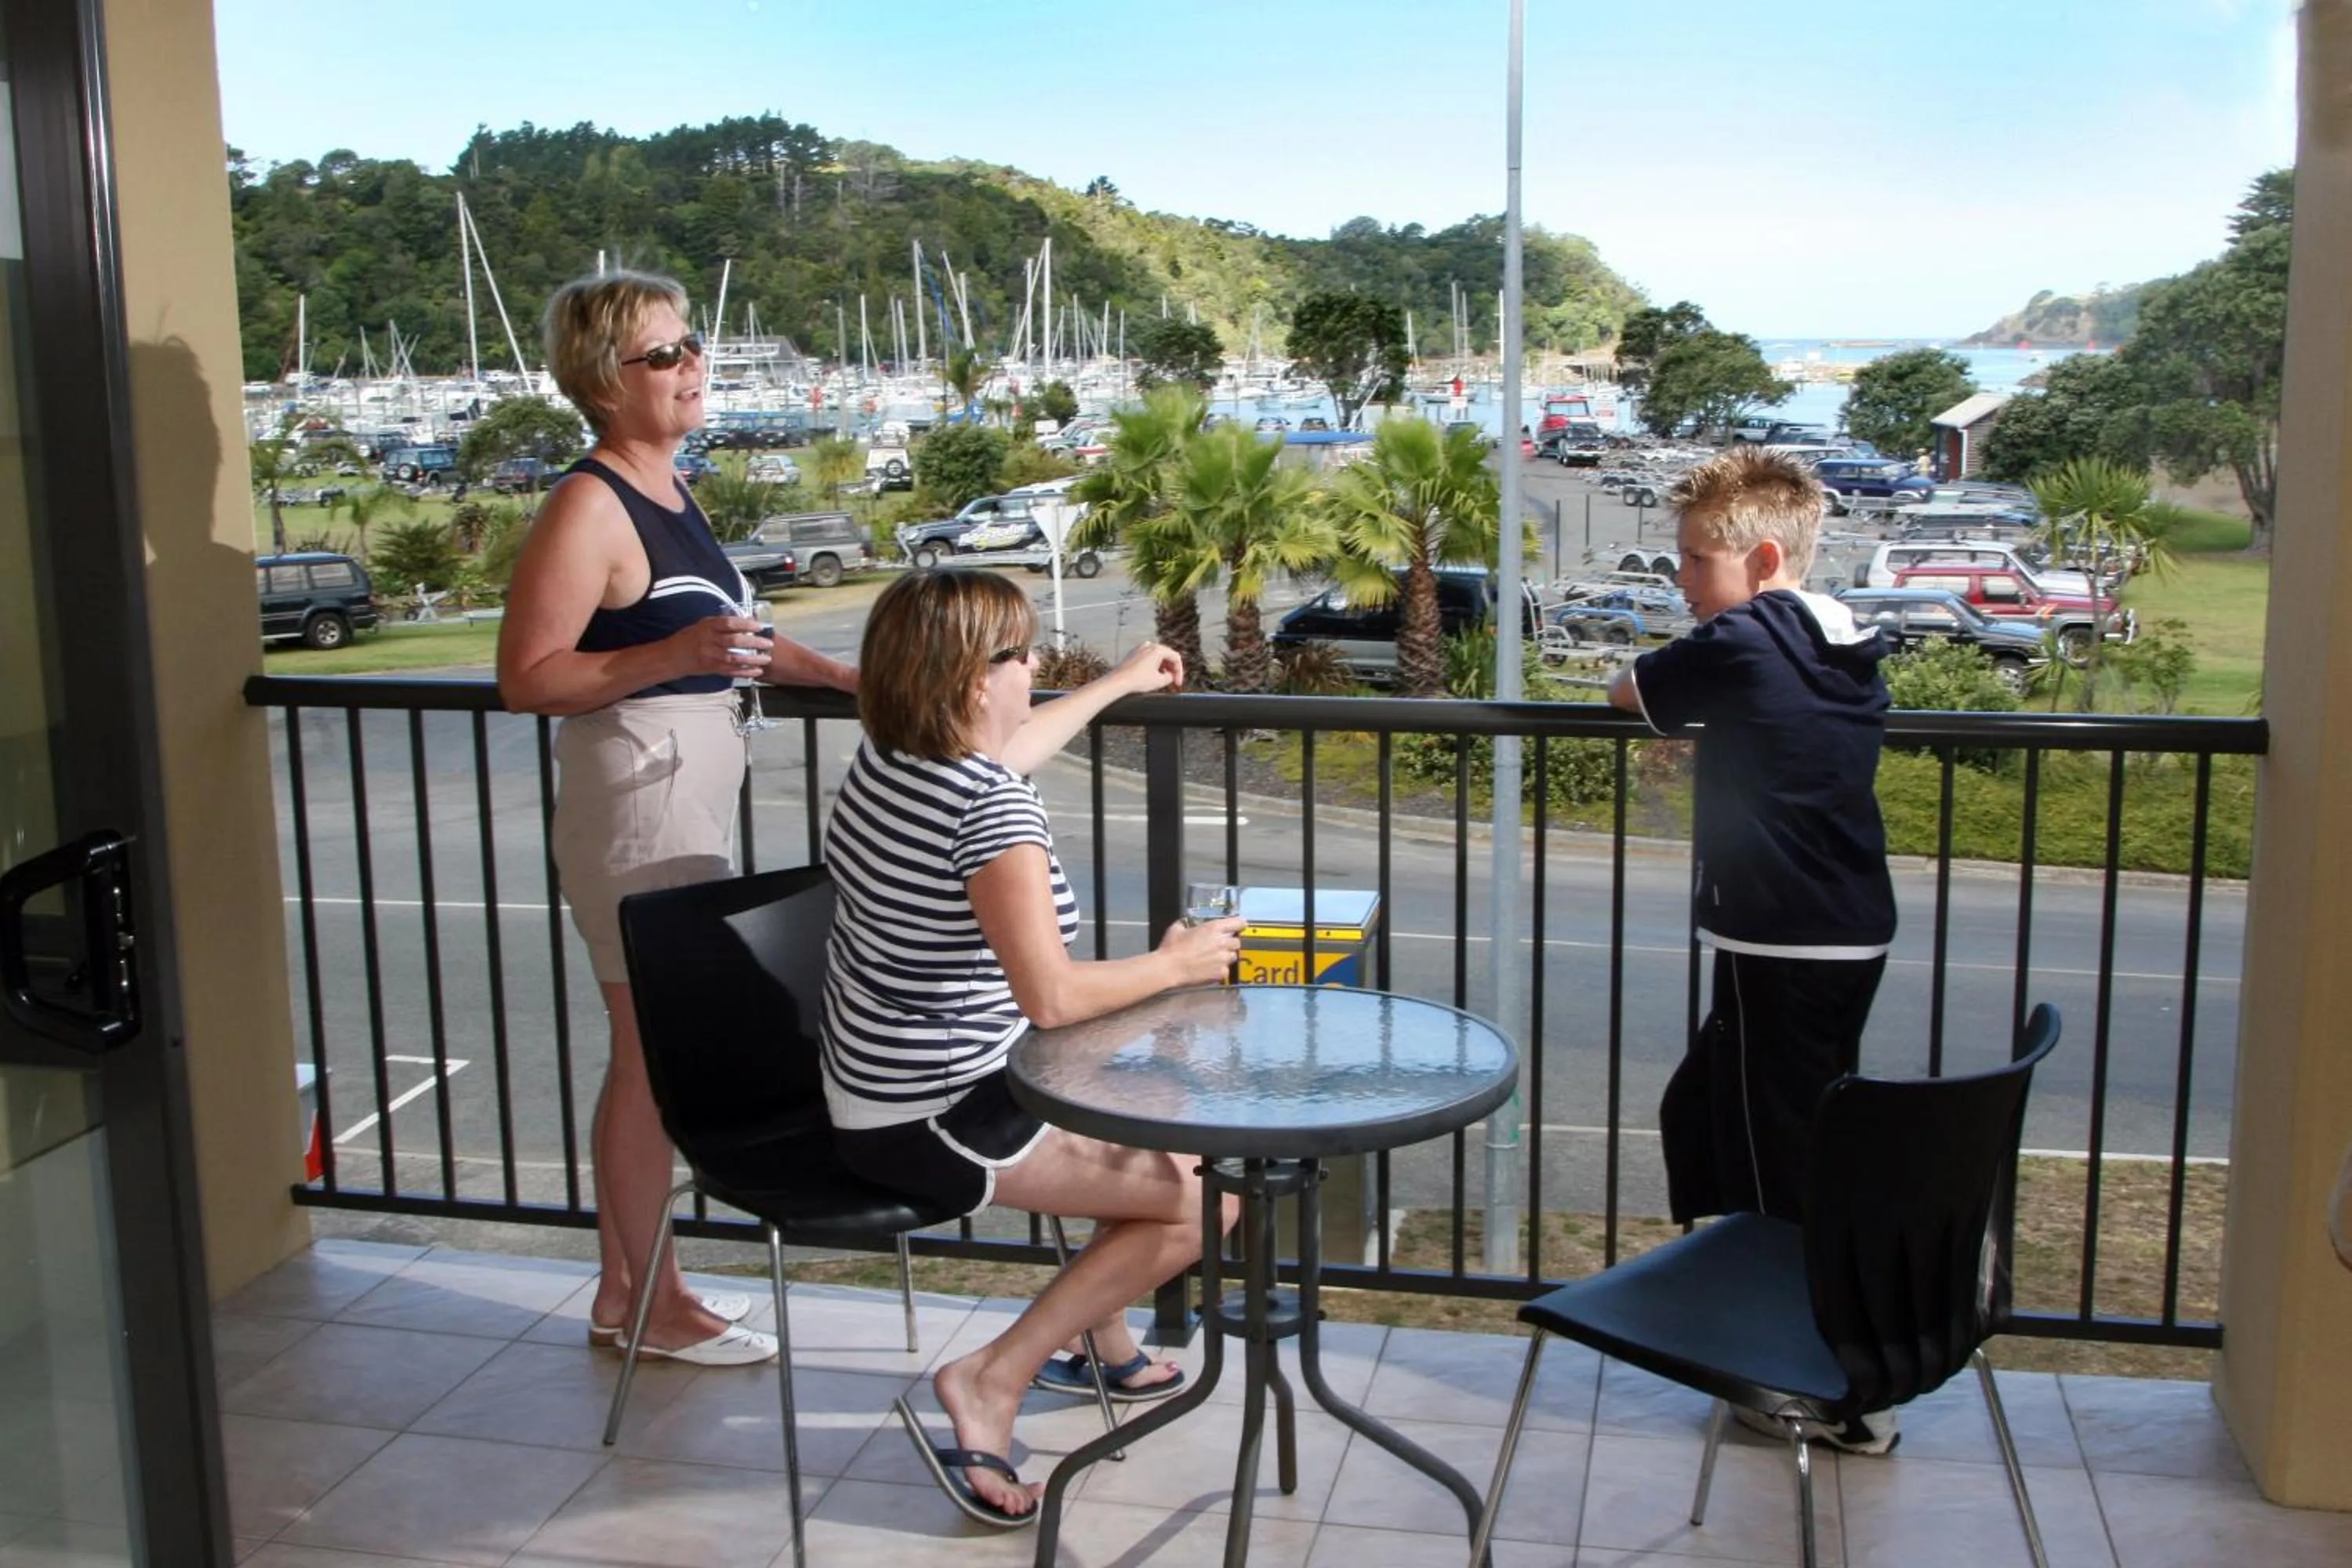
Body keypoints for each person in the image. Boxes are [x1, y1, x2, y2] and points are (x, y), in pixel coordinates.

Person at [822, 570, 1243, 1526]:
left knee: (1165, 1115)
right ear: (976, 681)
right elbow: (1051, 997)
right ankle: (989, 1376)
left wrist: (1119, 682)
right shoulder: (989, 813)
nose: (1038, 667)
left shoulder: (893, 757)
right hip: (939, 1113)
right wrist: (1178, 963)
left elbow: (1011, 750)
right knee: (1202, 1199)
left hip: (878, 1084)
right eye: (1024, 656)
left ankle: (1105, 1338)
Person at [498, 270, 858, 1366]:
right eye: (665, 354)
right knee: (653, 1056)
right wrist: (666, 656)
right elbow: (527, 677)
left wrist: (859, 682)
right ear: (607, 380)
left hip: (684, 787)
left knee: (654, 1052)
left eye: (692, 346)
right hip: (636, 794)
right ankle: (646, 1301)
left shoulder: (670, 489)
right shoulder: (590, 503)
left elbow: (733, 637)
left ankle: (632, 1291)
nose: (693, 366)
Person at [1607, 443, 1900, 1452]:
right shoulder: (1841, 638)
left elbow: (1628, 692)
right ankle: (1774, 1342)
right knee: (1720, 1111)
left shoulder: (1744, 641)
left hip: (1782, 935)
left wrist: (1694, 684)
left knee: (1781, 1163)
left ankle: (1819, 1387)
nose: (1682, 579)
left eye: (1695, 560)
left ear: (1764, 558)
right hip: (1839, 926)